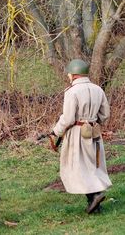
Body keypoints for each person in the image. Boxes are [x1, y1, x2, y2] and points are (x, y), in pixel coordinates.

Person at [51, 59, 112, 214]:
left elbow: (69, 118)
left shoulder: (72, 92)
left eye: (69, 74)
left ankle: (95, 195)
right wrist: (92, 121)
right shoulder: (98, 89)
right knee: (92, 166)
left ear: (73, 74)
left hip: (77, 134)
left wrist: (55, 132)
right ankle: (95, 204)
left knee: (78, 167)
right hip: (94, 132)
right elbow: (105, 115)